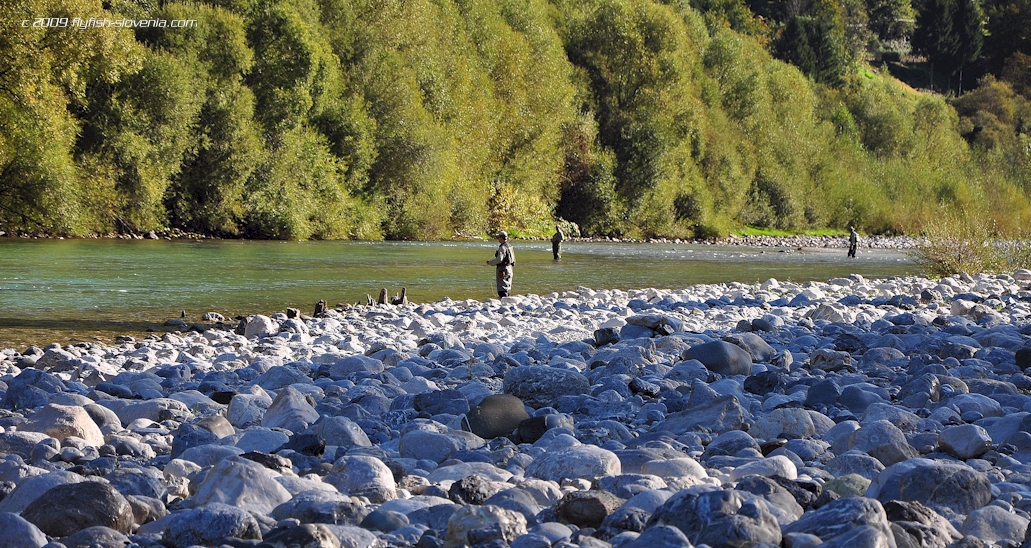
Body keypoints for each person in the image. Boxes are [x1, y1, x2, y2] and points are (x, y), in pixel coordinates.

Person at [486, 230, 515, 298]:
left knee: (502, 288)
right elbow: (513, 259)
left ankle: (503, 304)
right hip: (510, 268)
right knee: (508, 287)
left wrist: (490, 263)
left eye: (498, 237)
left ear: (501, 238)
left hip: (502, 269)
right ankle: (507, 302)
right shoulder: (510, 246)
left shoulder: (502, 247)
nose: (498, 239)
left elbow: (499, 260)